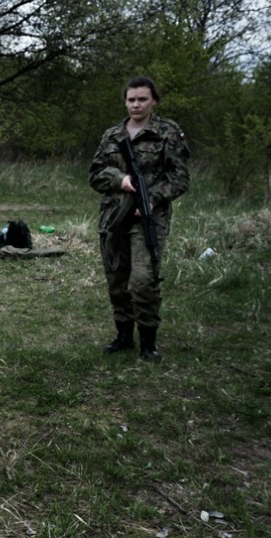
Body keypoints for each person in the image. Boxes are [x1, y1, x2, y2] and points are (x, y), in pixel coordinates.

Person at [88, 76, 190, 361]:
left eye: (142, 99)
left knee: (143, 280)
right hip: (114, 216)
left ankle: (148, 342)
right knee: (117, 279)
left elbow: (180, 178)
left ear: (153, 101)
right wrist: (119, 179)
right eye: (131, 99)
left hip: (148, 219)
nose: (136, 104)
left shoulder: (167, 133)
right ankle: (123, 336)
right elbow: (94, 175)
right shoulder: (112, 135)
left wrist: (152, 198)